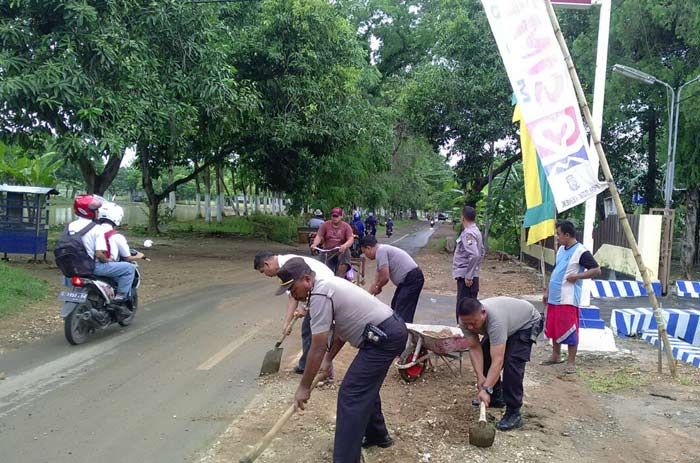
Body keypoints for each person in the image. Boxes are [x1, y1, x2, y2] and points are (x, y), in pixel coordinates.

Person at [275, 258, 407, 462]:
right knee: (363, 387)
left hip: (383, 339)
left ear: (307, 279)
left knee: (351, 394)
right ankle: (377, 435)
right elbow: (341, 330)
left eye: (293, 288)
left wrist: (304, 387)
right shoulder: (324, 288)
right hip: (386, 333)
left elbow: (317, 346)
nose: (292, 294)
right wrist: (328, 360)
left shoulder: (320, 293)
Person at [458, 297, 542, 431]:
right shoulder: (465, 321)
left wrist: (486, 389)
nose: (470, 327)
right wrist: (480, 377)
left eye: (473, 323)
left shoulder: (496, 321)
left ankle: (514, 413)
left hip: (527, 323)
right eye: (466, 323)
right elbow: (474, 347)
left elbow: (498, 360)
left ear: (483, 313)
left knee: (512, 364)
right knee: (485, 357)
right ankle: (496, 398)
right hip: (508, 325)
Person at [254, 251, 334, 375]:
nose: (265, 275)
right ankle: (305, 365)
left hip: (324, 287)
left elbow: (307, 286)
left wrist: (305, 306)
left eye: (262, 271)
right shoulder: (284, 269)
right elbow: (293, 297)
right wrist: (287, 324)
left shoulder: (288, 265)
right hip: (313, 289)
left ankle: (322, 371)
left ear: (266, 264)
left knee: (317, 332)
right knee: (307, 330)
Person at [542, 220, 601, 373]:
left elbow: (596, 270)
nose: (557, 237)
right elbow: (555, 271)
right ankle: (555, 355)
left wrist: (578, 276)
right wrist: (547, 291)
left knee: (569, 329)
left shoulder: (581, 251)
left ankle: (571, 362)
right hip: (554, 296)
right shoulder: (561, 249)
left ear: (567, 235)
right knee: (554, 327)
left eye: (559, 234)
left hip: (568, 298)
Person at [359, 235, 424, 323]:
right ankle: (400, 330)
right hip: (406, 281)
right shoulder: (381, 251)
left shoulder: (381, 251)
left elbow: (385, 277)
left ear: (368, 248)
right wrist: (368, 296)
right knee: (395, 307)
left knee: (402, 311)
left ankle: (404, 333)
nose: (365, 256)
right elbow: (377, 277)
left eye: (364, 252)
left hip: (412, 279)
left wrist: (379, 287)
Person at [91, 203, 140, 305]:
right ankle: (120, 298)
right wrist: (140, 256)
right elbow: (127, 257)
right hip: (102, 266)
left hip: (86, 264)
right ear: (117, 217)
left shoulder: (91, 231)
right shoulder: (117, 237)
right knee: (129, 268)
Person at [452, 205, 485, 320]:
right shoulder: (477, 231)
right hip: (472, 275)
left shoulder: (468, 233)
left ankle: (463, 334)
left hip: (466, 278)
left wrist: (469, 275)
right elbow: (482, 252)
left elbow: (475, 254)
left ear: (462, 217)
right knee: (472, 309)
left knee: (463, 309)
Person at [310, 207, 355, 277]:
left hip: (341, 251)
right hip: (328, 251)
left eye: (336, 216)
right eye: (333, 216)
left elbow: (350, 239)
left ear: (341, 216)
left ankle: (340, 278)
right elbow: (318, 236)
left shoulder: (346, 226)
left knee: (345, 254)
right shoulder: (325, 225)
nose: (334, 218)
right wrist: (314, 244)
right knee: (323, 269)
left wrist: (345, 245)